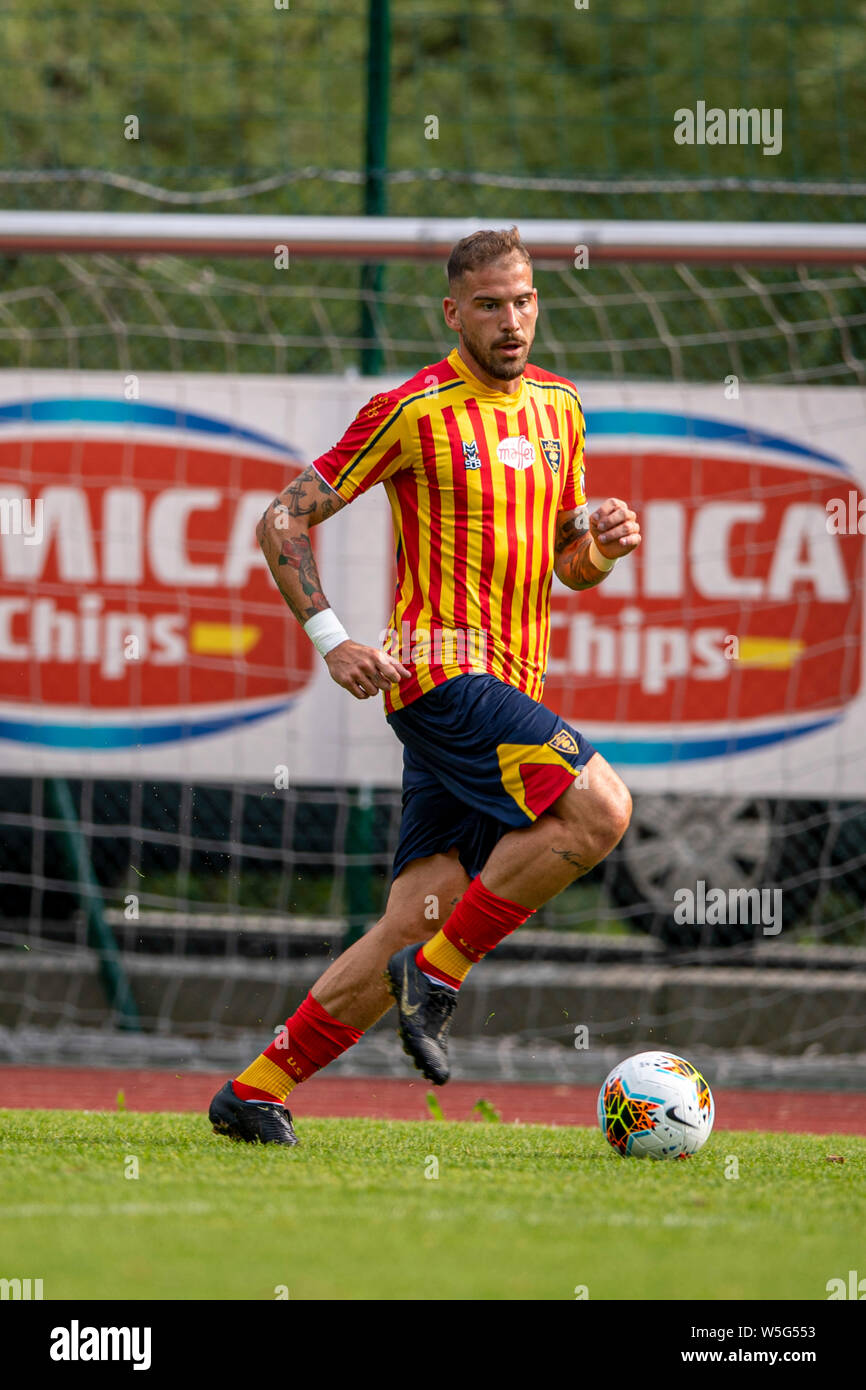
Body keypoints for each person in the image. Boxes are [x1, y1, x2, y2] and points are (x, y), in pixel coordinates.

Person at [209, 226, 641, 1146]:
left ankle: (255, 1091)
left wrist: (598, 546)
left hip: (506, 678)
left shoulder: (561, 408)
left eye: (523, 300)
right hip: (439, 673)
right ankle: (439, 978)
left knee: (416, 914)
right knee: (602, 810)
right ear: (455, 312)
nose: (511, 320)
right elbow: (282, 516)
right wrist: (332, 639)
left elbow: (570, 566)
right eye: (489, 304)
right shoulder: (413, 408)